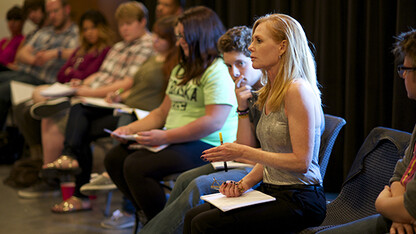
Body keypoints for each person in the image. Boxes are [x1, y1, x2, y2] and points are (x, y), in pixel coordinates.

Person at [184, 13, 326, 233]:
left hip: (300, 198)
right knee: (194, 215)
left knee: (204, 224)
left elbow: (301, 162)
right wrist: (243, 184)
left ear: (282, 46)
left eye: (258, 41)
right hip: (273, 189)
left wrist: (242, 152)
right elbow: (272, 154)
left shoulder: (297, 90)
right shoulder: (270, 90)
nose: (250, 47)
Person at [104, 6, 237, 233]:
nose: (178, 42)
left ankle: (161, 225)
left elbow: (212, 122)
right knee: (115, 157)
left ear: (200, 35)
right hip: (176, 139)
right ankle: (157, 219)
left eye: (183, 37)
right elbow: (161, 113)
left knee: (137, 166)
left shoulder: (217, 70)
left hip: (211, 144)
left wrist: (165, 136)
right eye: (177, 36)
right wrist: (129, 130)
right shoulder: (180, 69)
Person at [17, 2, 153, 200]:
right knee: (76, 122)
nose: (124, 29)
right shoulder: (119, 46)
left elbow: (126, 82)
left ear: (142, 22)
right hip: (94, 94)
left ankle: (73, 174)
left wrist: (89, 91)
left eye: (129, 23)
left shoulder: (147, 45)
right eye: (121, 24)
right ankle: (78, 185)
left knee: (77, 117)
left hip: (114, 102)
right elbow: (101, 73)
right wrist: (82, 83)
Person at [43, 15, 177, 214]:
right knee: (80, 115)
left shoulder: (174, 64)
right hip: (127, 107)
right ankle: (74, 171)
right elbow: (136, 87)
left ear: (172, 41)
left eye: (160, 38)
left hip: (143, 115)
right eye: (155, 37)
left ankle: (113, 202)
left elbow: (165, 100)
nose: (154, 41)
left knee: (86, 122)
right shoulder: (152, 58)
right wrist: (120, 95)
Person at [139, 25, 263, 234]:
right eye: (228, 65)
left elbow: (254, 154)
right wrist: (242, 108)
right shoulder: (246, 92)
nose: (234, 73)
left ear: (254, 58)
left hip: (261, 169)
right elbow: (245, 146)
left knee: (197, 186)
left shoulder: (271, 91)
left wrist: (240, 152)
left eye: (240, 64)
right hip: (247, 161)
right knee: (184, 179)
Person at [317, 29, 416, 234]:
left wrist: (384, 205)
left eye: (405, 69)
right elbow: (401, 171)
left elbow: (410, 207)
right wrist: (399, 213)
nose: (403, 75)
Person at [12, 9, 114, 166]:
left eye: (93, 28)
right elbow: (61, 74)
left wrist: (72, 72)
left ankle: (57, 106)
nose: (89, 33)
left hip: (81, 90)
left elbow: (90, 73)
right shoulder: (80, 50)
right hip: (66, 86)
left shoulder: (105, 51)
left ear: (102, 28)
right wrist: (73, 74)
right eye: (85, 29)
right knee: (31, 99)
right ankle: (53, 106)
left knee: (40, 109)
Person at [0, 0, 78, 132]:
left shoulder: (75, 33)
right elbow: (21, 54)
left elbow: (79, 53)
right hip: (26, 72)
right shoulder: (44, 32)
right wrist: (34, 60)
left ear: (67, 9)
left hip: (43, 80)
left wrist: (56, 53)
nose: (52, 16)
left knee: (2, 92)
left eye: (55, 11)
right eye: (49, 13)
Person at [0, 6, 25, 71]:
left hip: (8, 72)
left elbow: (17, 65)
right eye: (10, 19)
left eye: (16, 19)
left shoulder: (23, 40)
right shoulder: (3, 41)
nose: (12, 23)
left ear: (22, 22)